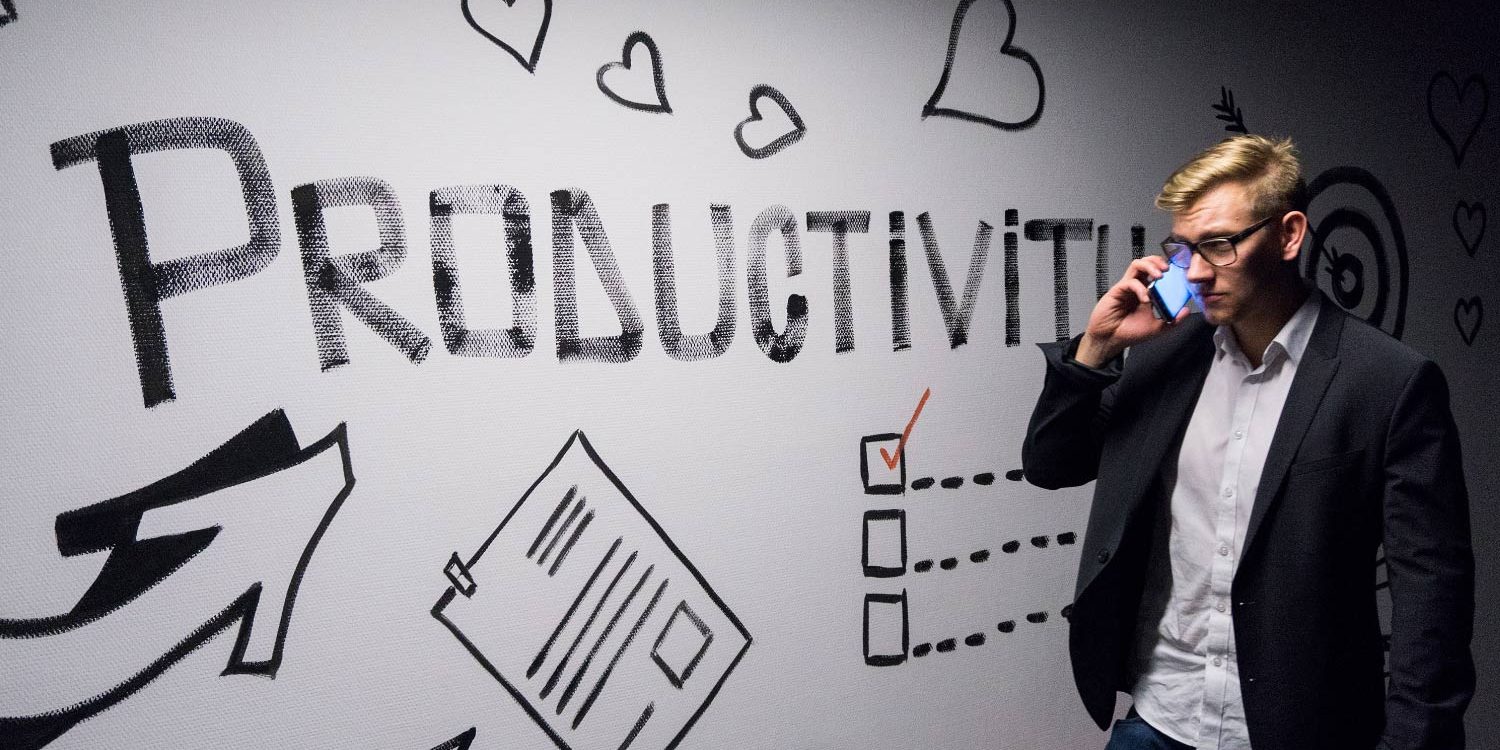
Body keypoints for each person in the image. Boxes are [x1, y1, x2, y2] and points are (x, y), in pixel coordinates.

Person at [1021, 135, 1474, 750]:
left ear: (1289, 235)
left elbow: (1432, 597)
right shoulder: (1164, 355)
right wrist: (1097, 347)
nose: (1195, 272)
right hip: (1159, 716)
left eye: (1219, 245)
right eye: (1184, 250)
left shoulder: (1388, 382)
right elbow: (1051, 463)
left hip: (1300, 731)